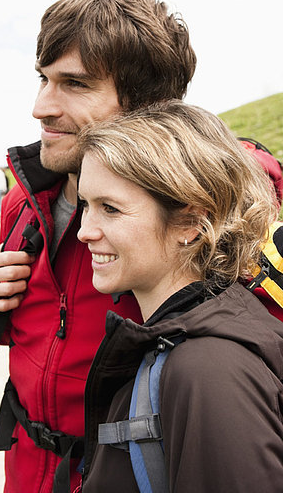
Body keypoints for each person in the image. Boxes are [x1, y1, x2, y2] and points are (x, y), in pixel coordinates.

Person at [0, 0, 196, 493]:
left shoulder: (191, 215)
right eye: (44, 79)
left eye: (74, 84)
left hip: (125, 475)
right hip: (27, 465)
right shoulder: (25, 200)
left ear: (147, 105)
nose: (40, 107)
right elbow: (40, 327)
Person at [76, 100, 283, 493]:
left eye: (110, 209)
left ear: (190, 222)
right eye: (87, 205)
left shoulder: (208, 371)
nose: (85, 230)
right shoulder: (183, 339)